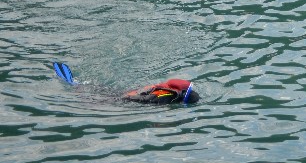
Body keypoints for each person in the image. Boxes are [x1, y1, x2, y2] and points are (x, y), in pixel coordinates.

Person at [52, 62, 200, 104]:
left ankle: (79, 85)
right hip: (128, 97)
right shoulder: (167, 97)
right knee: (99, 99)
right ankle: (77, 88)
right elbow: (146, 99)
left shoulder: (169, 92)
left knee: (104, 91)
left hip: (131, 92)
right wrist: (124, 99)